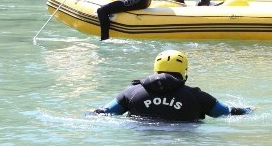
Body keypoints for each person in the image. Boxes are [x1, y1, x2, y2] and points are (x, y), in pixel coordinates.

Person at [93, 50, 254, 121]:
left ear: (155, 69)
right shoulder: (197, 97)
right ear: (184, 72)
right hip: (183, 143)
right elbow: (226, 113)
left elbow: (103, 113)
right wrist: (249, 110)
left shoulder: (131, 93)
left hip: (142, 143)